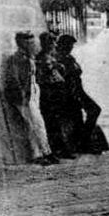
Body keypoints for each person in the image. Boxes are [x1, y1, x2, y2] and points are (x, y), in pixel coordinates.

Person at [3, 31, 56, 164]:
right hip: (23, 95)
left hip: (33, 91)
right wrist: (22, 95)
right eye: (28, 42)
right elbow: (14, 79)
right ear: (21, 43)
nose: (31, 44)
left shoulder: (29, 57)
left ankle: (46, 152)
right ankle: (38, 154)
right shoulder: (16, 59)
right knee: (32, 125)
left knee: (38, 124)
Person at [56, 34, 106, 154]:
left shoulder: (69, 58)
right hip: (70, 93)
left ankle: (85, 141)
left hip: (79, 90)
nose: (70, 48)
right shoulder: (60, 59)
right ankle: (84, 143)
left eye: (71, 45)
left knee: (94, 110)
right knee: (86, 113)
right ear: (62, 45)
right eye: (68, 45)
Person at [34, 31, 66, 161]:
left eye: (53, 42)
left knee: (57, 121)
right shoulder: (41, 57)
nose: (52, 44)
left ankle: (60, 147)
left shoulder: (51, 56)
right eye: (50, 42)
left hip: (56, 90)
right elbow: (41, 76)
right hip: (48, 91)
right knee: (51, 121)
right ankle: (55, 148)